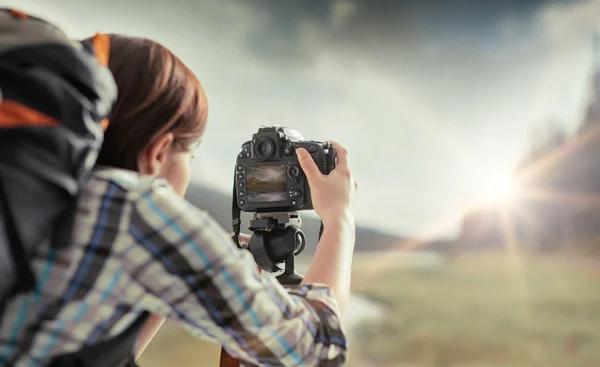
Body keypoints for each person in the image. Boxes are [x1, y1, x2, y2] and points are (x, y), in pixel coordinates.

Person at [0, 33, 357, 367]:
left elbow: (90, 351)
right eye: (190, 155)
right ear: (159, 152)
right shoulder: (131, 208)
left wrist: (174, 266)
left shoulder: (30, 196)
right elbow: (316, 347)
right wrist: (339, 217)